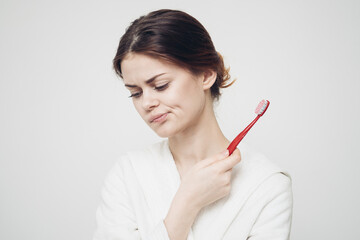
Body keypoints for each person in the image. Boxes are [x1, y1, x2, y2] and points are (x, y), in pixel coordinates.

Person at [94, 9, 293, 240]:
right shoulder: (127, 175)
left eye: (160, 85)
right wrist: (187, 203)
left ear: (206, 75)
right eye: (135, 93)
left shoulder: (266, 184)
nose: (146, 103)